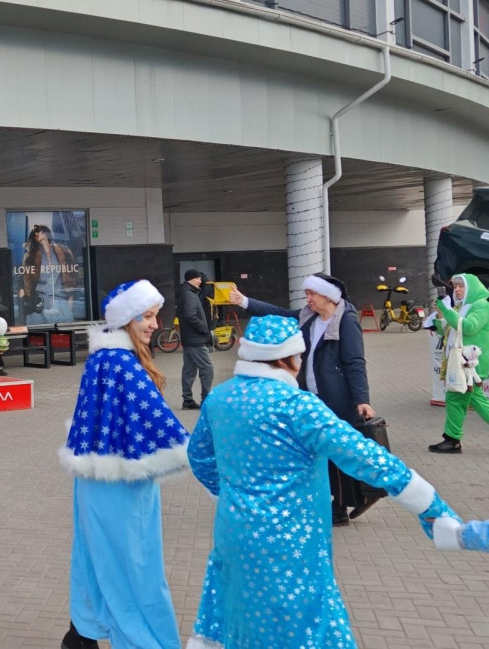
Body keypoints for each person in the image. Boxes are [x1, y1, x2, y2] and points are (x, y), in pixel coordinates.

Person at [186, 315, 459, 649]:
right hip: (292, 543)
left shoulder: (219, 399)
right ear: (286, 359)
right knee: (305, 630)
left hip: (234, 533)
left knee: (242, 619)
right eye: (299, 356)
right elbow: (365, 457)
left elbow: (199, 457)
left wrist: (230, 494)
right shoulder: (298, 407)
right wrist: (430, 506)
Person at [59, 280, 189, 649]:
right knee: (135, 567)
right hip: (121, 482)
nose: (155, 324)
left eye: (155, 315)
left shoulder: (103, 357)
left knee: (97, 559)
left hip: (98, 477)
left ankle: (81, 636)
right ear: (126, 319)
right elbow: (157, 418)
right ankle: (142, 642)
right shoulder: (121, 362)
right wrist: (199, 452)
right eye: (146, 316)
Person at [228, 274, 376, 526]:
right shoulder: (309, 316)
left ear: (328, 296)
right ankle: (353, 496)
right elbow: (279, 313)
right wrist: (244, 301)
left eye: (312, 294)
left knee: (333, 452)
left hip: (337, 398)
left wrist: (362, 399)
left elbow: (354, 362)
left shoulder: (346, 321)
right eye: (307, 294)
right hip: (312, 395)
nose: (308, 299)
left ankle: (340, 508)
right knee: (318, 450)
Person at [428, 273, 489, 453]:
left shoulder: (481, 305)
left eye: (461, 286)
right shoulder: (461, 306)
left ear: (472, 287)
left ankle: (452, 441)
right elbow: (448, 330)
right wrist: (440, 315)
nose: (457, 290)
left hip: (471, 362)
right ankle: (452, 440)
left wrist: (447, 310)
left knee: (456, 399)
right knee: (471, 400)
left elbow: (469, 327)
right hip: (464, 362)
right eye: (455, 286)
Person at [19, 224, 79, 324]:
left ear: (45, 233)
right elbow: (23, 282)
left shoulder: (64, 252)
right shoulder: (30, 257)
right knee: (38, 333)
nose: (36, 233)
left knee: (63, 332)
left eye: (38, 231)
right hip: (38, 304)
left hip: (60, 302)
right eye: (34, 232)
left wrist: (68, 307)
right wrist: (27, 298)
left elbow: (72, 283)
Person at [177, 269, 214, 410]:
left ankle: (187, 401)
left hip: (189, 339)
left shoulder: (187, 293)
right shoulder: (189, 295)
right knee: (207, 368)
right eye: (198, 278)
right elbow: (190, 315)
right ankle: (206, 399)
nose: (200, 281)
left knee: (189, 370)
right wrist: (204, 328)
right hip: (195, 339)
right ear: (191, 279)